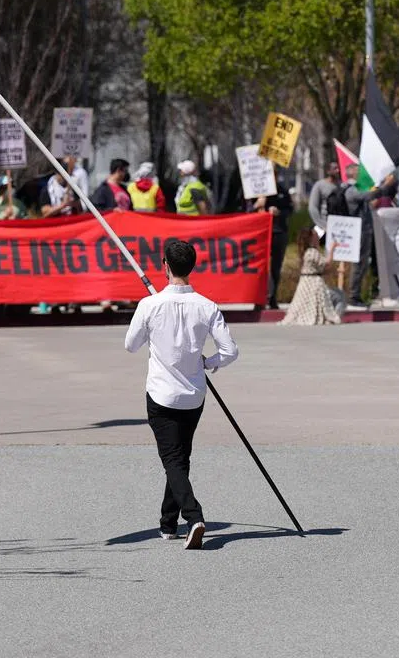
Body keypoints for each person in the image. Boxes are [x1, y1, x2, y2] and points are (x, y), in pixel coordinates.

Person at [124, 239, 239, 550]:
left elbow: (130, 344)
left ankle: (194, 515)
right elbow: (230, 351)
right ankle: (168, 523)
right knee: (179, 458)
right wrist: (208, 362)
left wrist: (151, 327)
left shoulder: (150, 305)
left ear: (165, 266)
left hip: (162, 394)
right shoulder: (206, 305)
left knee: (173, 459)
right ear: (192, 266)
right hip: (193, 395)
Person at [343, 164, 393, 309]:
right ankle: (353, 297)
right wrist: (385, 186)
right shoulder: (351, 190)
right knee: (358, 264)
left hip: (364, 231)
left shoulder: (357, 189)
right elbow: (370, 195)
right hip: (357, 231)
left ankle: (357, 295)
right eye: (360, 173)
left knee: (363, 264)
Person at [280, 227, 342, 326]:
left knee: (306, 302)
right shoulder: (312, 252)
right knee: (325, 300)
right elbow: (327, 263)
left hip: (305, 281)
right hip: (313, 281)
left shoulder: (306, 252)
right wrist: (333, 249)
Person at [247, 185, 293, 310]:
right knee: (260, 268)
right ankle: (259, 299)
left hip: (278, 232)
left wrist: (279, 212)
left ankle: (272, 298)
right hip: (260, 234)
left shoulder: (283, 191)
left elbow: (290, 209)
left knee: (275, 268)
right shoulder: (254, 191)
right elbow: (246, 211)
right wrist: (257, 204)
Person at [308, 161, 341, 234]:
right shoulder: (319, 185)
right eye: (335, 168)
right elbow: (313, 207)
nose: (337, 171)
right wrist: (322, 225)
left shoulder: (341, 186)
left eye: (338, 168)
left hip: (338, 226)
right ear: (328, 171)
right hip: (323, 226)